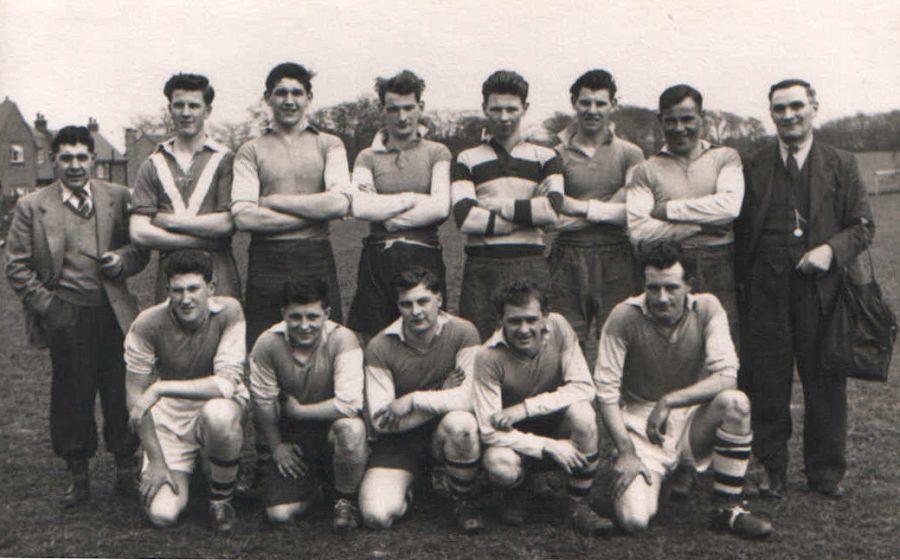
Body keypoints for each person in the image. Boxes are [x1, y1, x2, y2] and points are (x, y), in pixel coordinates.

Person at [734, 79, 874, 499]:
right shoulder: (752, 164)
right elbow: (739, 230)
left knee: (825, 381)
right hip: (766, 292)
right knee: (767, 382)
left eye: (797, 106)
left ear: (814, 106)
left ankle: (825, 471)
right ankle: (771, 467)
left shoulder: (841, 162)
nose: (789, 115)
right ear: (771, 113)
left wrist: (830, 251)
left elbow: (863, 225)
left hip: (823, 292)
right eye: (780, 109)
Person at [5, 126, 148, 507]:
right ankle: (78, 476)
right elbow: (17, 267)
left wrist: (123, 261)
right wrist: (50, 307)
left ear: (93, 159)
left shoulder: (117, 197)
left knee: (120, 391)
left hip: (114, 313)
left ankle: (125, 470)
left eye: (81, 157)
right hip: (66, 313)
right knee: (72, 394)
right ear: (54, 161)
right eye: (65, 158)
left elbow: (140, 248)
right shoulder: (33, 205)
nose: (74, 165)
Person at [594, 240, 773, 539]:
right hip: (642, 429)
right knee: (634, 521)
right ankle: (653, 477)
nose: (662, 298)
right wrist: (626, 452)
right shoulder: (623, 317)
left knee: (736, 403)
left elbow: (726, 376)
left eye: (671, 288)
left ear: (689, 284)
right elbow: (606, 394)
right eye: (653, 288)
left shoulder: (708, 308)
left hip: (690, 423)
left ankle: (727, 509)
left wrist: (670, 401)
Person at [473, 279, 612, 536]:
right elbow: (488, 429)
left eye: (531, 320)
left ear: (545, 316)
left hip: (553, 422)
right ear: (500, 320)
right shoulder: (487, 357)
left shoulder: (559, 327)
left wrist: (524, 408)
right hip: (513, 438)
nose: (524, 329)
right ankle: (517, 490)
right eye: (514, 321)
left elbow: (583, 386)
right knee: (499, 463)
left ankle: (578, 504)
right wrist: (547, 446)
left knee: (584, 414)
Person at [124, 250, 248, 532]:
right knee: (163, 515)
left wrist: (161, 388)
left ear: (211, 288)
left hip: (215, 402)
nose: (185, 298)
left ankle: (221, 497)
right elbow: (135, 396)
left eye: (194, 288)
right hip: (171, 415)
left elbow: (226, 382)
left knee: (220, 414)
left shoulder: (230, 311)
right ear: (168, 291)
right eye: (177, 290)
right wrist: (155, 459)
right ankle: (188, 471)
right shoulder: (147, 323)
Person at [231, 62, 351, 347]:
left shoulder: (330, 144)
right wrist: (314, 215)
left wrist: (275, 201)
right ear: (268, 98)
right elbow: (244, 217)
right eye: (281, 92)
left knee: (326, 341)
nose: (289, 100)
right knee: (264, 343)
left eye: (297, 92)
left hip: (316, 254)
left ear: (308, 98)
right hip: (267, 259)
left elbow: (338, 204)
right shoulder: (250, 149)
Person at [359, 267, 485, 533]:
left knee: (462, 423)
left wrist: (413, 400)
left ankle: (462, 499)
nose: (415, 311)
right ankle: (415, 485)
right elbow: (382, 421)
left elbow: (471, 399)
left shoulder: (464, 332)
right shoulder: (380, 346)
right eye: (406, 304)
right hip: (401, 441)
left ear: (439, 299)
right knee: (376, 516)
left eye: (423, 301)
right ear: (398, 306)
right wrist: (442, 392)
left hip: (445, 433)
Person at [451, 70, 564, 340]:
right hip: (482, 267)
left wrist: (491, 204)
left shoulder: (546, 157)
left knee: (534, 344)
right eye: (496, 109)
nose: (504, 117)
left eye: (511, 109)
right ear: (484, 109)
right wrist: (528, 212)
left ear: (525, 108)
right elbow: (465, 219)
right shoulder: (467, 159)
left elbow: (551, 210)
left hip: (530, 262)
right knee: (477, 344)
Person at [625, 84, 744, 337]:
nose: (680, 128)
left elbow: (729, 207)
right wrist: (699, 225)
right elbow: (638, 230)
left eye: (688, 119)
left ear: (702, 117)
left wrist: (667, 209)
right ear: (660, 121)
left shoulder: (726, 157)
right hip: (667, 267)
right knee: (669, 342)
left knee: (722, 339)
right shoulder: (645, 169)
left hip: (719, 264)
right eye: (671, 121)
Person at [248, 279, 367, 530]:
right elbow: (263, 402)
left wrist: (299, 411)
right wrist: (277, 446)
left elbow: (350, 405)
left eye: (313, 317)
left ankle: (345, 499)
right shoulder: (267, 343)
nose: (304, 326)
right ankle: (317, 490)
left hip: (333, 430)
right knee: (279, 515)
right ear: (283, 314)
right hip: (294, 439)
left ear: (327, 314)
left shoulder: (343, 340)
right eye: (295, 317)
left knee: (352, 429)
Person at [346, 70, 452, 340]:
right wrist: (413, 199)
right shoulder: (367, 157)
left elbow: (440, 208)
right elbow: (361, 207)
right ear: (383, 110)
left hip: (424, 255)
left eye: (409, 108)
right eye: (393, 109)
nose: (402, 117)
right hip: (377, 260)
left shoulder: (437, 152)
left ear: (421, 107)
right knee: (376, 340)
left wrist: (389, 216)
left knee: (427, 339)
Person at [549, 69, 645, 349]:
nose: (592, 110)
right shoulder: (555, 154)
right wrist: (608, 208)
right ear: (574, 104)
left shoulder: (631, 153)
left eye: (600, 103)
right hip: (567, 255)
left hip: (617, 255)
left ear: (613, 105)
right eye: (585, 102)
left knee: (618, 341)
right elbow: (552, 217)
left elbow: (633, 212)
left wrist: (576, 208)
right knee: (564, 341)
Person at [129, 73, 240, 302]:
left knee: (222, 332)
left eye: (194, 105)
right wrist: (201, 241)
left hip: (217, 274)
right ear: (170, 109)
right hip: (171, 277)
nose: (186, 113)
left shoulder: (226, 159)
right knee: (171, 336)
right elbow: (139, 232)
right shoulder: (152, 163)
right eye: (179, 105)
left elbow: (227, 223)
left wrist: (167, 221)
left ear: (207, 111)